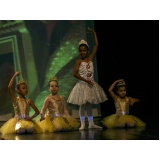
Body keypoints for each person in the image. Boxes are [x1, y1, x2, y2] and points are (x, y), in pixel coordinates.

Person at [67, 27, 108, 130]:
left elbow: (96, 46)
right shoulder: (78, 62)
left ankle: (91, 123)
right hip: (82, 85)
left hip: (90, 85)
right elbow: (75, 74)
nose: (82, 53)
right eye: (81, 51)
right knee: (82, 105)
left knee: (89, 105)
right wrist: (86, 80)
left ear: (87, 50)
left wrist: (94, 34)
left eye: (84, 51)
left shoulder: (90, 59)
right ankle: (82, 124)